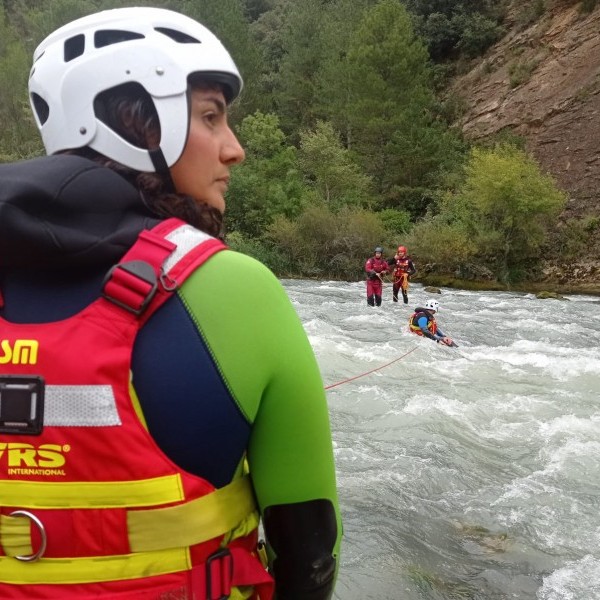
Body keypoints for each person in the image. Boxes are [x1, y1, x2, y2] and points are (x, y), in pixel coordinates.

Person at [0, 7, 341, 600]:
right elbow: (310, 547)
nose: (234, 150)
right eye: (212, 117)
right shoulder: (237, 288)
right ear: (140, 126)